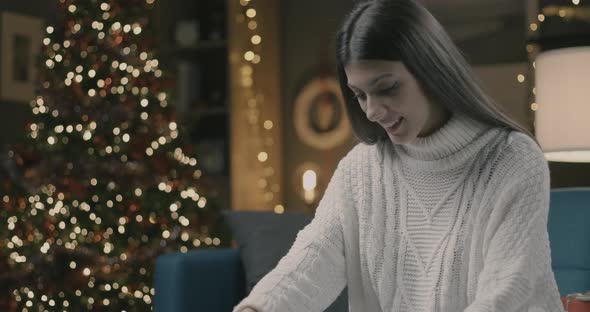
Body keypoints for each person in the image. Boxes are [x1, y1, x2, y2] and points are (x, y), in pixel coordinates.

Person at [233, 0, 564, 311]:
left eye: (387, 88)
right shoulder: (360, 171)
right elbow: (313, 261)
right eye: (360, 95)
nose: (373, 111)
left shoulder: (513, 160)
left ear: (431, 71)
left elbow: (506, 292)